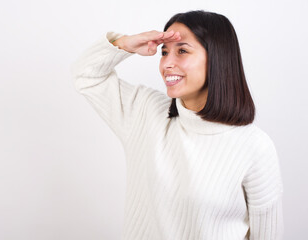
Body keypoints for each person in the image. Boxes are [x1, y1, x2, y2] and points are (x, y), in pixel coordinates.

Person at [71, 10, 284, 240]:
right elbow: (86, 75)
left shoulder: (255, 147)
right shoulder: (146, 112)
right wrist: (125, 44)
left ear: (217, 58)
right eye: (164, 52)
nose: (166, 64)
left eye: (182, 51)